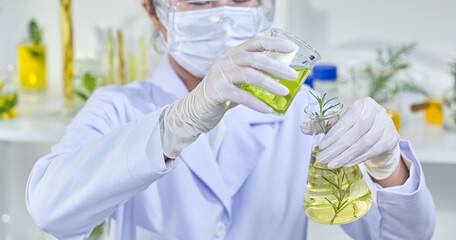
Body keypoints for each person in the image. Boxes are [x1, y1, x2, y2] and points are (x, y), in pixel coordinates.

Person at [26, 0, 435, 239]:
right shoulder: (118, 108)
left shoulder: (305, 110)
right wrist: (176, 122)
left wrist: (388, 168)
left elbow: (403, 237)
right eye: (200, 0)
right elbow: (50, 210)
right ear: (155, 12)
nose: (222, 13)